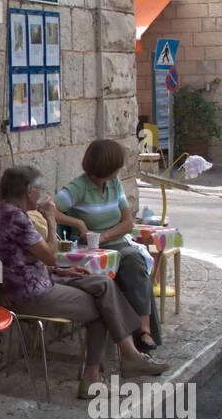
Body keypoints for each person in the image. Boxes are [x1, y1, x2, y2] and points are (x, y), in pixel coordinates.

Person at [0, 165, 169, 399]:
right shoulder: (15, 218)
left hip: (35, 281)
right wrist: (50, 219)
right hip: (31, 295)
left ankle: (126, 355)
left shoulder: (0, 213)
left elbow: (24, 260)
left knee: (102, 284)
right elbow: (50, 253)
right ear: (29, 192)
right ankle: (106, 370)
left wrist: (62, 269)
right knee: (104, 308)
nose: (41, 194)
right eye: (39, 189)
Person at [54, 139, 161, 353]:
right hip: (91, 252)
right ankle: (138, 337)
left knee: (133, 260)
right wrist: (78, 223)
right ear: (108, 166)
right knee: (124, 270)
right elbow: (48, 208)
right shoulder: (79, 187)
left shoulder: (115, 184)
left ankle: (144, 329)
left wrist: (103, 237)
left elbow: (127, 222)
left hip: (116, 244)